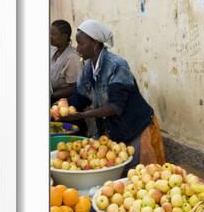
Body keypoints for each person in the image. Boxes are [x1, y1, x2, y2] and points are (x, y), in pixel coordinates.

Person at [63, 19, 165, 167]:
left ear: (96, 44)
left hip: (136, 127)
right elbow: (81, 96)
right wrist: (62, 108)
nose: (78, 49)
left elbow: (115, 106)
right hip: (114, 128)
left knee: (141, 172)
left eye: (81, 44)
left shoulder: (116, 66)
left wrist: (82, 115)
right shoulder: (88, 67)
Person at [50, 20, 82, 104]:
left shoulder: (72, 57)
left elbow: (75, 87)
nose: (49, 36)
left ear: (64, 37)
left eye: (53, 34)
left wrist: (51, 96)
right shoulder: (53, 51)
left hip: (62, 104)